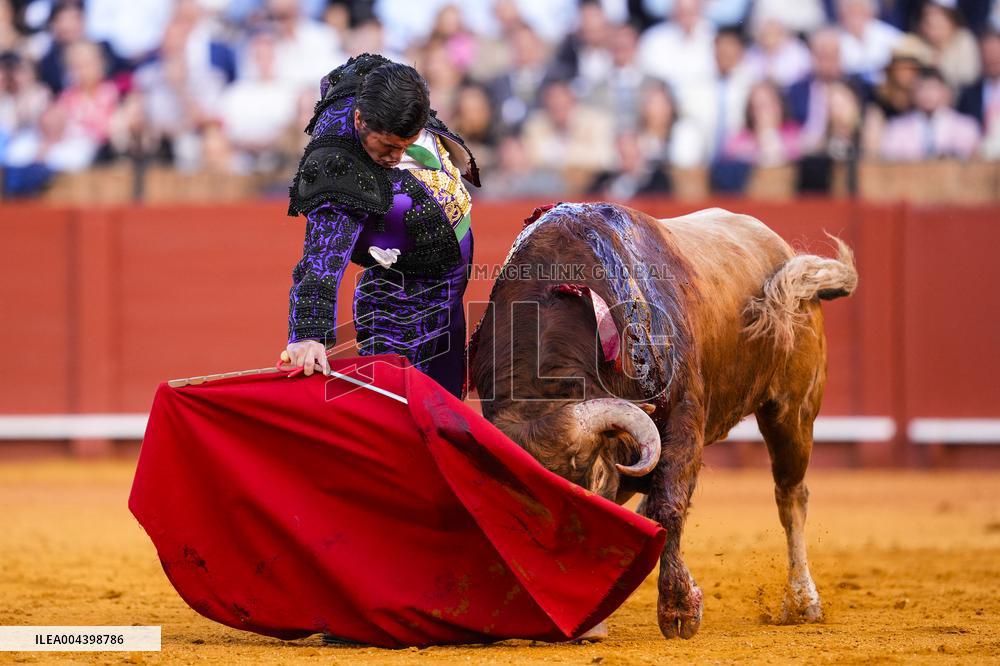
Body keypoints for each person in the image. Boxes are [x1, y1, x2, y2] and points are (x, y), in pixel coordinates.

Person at [283, 54, 480, 399]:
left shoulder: (383, 89)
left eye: (406, 144)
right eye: (388, 145)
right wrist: (308, 332)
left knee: (445, 392)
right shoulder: (339, 167)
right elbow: (322, 255)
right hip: (402, 289)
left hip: (445, 278)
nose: (395, 155)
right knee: (402, 399)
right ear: (359, 120)